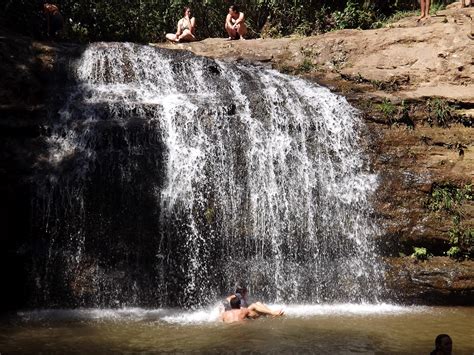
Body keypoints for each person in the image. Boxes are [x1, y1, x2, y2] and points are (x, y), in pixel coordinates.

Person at [220, 295, 284, 324]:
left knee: (256, 305)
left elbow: (220, 320)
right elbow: (256, 315)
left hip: (231, 326)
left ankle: (272, 313)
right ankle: (273, 313)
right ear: (239, 304)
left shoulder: (224, 314)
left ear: (231, 305)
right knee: (255, 306)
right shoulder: (243, 310)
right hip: (242, 325)